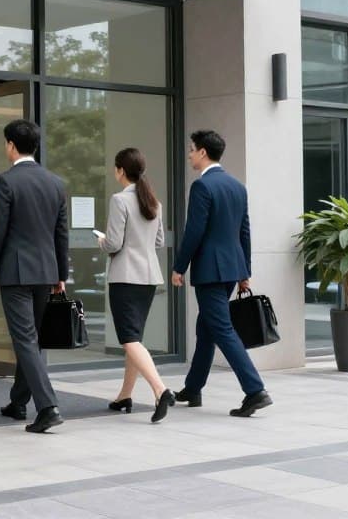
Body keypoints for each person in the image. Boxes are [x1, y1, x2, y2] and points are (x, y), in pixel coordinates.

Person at [171, 130, 272, 417]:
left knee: (222, 329)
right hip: (231, 269)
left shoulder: (202, 186)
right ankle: (193, 388)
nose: (189, 155)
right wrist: (245, 272)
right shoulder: (237, 186)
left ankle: (255, 391)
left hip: (210, 270)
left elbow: (194, 231)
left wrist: (179, 266)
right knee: (206, 328)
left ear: (203, 152)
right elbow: (244, 231)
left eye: (192, 150)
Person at [0, 119, 68, 434]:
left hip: (16, 272)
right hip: (46, 271)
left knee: (25, 339)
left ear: (11, 145)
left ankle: (48, 407)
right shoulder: (55, 182)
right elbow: (61, 232)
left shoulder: (5, 181)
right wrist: (61, 273)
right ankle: (18, 402)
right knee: (32, 339)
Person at [97, 148, 174, 423]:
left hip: (125, 277)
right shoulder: (153, 201)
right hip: (148, 278)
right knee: (134, 339)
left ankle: (160, 390)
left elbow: (114, 243)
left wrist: (102, 241)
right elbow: (159, 241)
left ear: (120, 170)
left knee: (129, 339)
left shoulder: (120, 200)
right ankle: (125, 396)